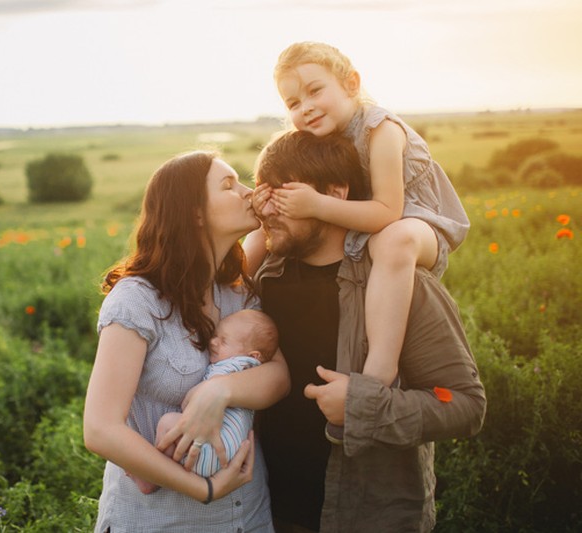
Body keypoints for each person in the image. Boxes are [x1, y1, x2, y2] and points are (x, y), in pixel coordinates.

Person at [252, 130, 486, 532]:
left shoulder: (401, 286)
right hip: (267, 513)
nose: (269, 210)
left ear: (336, 192)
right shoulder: (265, 277)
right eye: (264, 194)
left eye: (284, 194)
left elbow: (462, 403)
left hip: (365, 516)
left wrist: (364, 407)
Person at [244, 42, 471, 443]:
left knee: (393, 241)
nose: (306, 108)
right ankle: (222, 283)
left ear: (351, 83)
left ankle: (377, 371)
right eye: (293, 102)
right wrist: (265, 208)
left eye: (316, 91)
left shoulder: (380, 129)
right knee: (377, 242)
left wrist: (314, 202)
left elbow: (386, 211)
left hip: (419, 223)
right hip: (375, 228)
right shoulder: (321, 138)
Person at [83, 150, 290, 532]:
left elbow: (279, 376)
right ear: (194, 212)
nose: (248, 192)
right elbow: (100, 428)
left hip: (246, 516)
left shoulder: (238, 293)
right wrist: (203, 488)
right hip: (163, 521)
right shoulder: (137, 299)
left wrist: (221, 390)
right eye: (229, 185)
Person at [128, 309, 279, 494]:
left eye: (223, 341)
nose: (213, 342)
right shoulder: (253, 370)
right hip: (230, 455)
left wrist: (195, 397)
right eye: (215, 335)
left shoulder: (233, 366)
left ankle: (150, 477)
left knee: (168, 422)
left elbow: (190, 402)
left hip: (212, 449)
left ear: (253, 355)